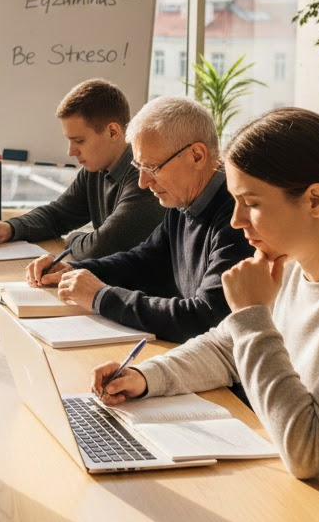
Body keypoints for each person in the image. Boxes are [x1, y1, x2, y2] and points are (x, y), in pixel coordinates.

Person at [92, 107, 319, 515]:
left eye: (250, 203)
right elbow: (226, 347)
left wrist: (252, 314)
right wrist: (146, 377)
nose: (236, 221)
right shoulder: (291, 263)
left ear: (315, 200)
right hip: (293, 488)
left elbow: (307, 451)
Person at [27, 96, 252, 343]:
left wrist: (101, 297)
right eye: (138, 167)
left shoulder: (239, 219)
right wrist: (73, 270)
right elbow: (143, 261)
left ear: (196, 156)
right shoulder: (182, 200)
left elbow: (203, 318)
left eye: (152, 167)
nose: (144, 182)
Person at [0, 78, 163, 260]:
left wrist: (73, 237)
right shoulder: (95, 169)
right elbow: (57, 215)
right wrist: (10, 228)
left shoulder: (144, 178)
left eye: (79, 141)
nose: (71, 152)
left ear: (113, 132)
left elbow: (100, 248)